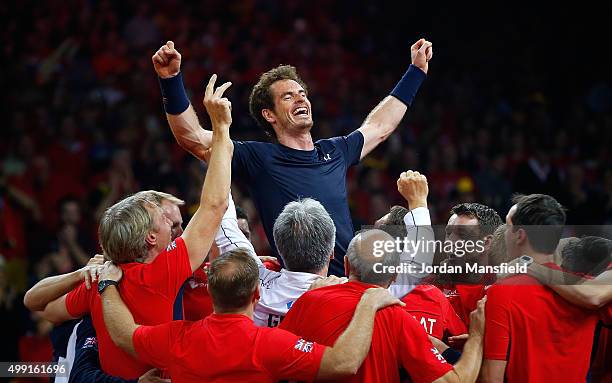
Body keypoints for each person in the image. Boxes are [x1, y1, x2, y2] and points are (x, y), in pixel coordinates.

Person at [152, 38, 433, 275]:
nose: (300, 99)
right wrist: (171, 82)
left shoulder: (334, 151)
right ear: (269, 114)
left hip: (351, 283)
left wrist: (416, 72)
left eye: (301, 93)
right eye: (288, 97)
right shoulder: (257, 157)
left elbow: (379, 127)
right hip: (300, 290)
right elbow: (193, 139)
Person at [23, 77, 234, 379]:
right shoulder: (161, 272)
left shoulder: (99, 281)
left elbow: (39, 305)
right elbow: (214, 204)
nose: (172, 225)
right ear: (150, 237)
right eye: (163, 219)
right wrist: (221, 131)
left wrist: (81, 274)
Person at [97, 249, 405, 382]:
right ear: (257, 295)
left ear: (211, 294)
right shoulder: (271, 344)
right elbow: (344, 363)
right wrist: (368, 301)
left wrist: (107, 284)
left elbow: (123, 334)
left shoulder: (177, 337)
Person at [280, 229, 486, 383]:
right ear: (395, 275)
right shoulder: (399, 318)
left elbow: (274, 362)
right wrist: (477, 337)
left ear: (346, 264)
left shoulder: (309, 300)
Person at [481, 194, 600, 383]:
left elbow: (491, 378)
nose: (503, 232)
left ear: (520, 235)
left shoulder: (502, 290)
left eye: (508, 226)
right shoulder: (587, 287)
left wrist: (478, 339)